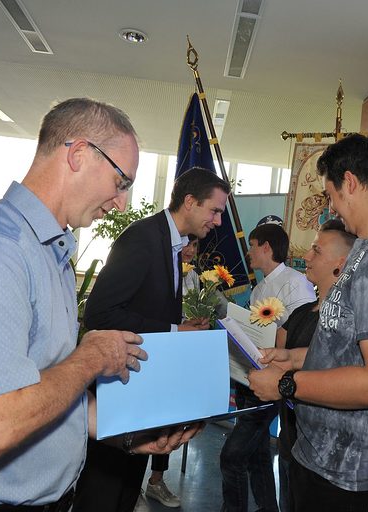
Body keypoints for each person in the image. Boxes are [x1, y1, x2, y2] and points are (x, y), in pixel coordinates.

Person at [0, 97, 200, 512]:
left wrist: (126, 432)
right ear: (77, 155)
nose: (122, 202)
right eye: (121, 181)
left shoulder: (49, 253)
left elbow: (45, 390)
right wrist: (90, 359)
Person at [248, 133, 368, 512]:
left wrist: (286, 384)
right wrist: (296, 359)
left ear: (349, 182)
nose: (331, 207)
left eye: (331, 195)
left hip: (351, 474)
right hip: (321, 458)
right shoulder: (365, 250)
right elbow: (348, 343)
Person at [75, 166, 231, 511]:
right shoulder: (143, 238)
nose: (218, 221)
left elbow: (146, 306)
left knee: (125, 491)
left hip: (140, 392)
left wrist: (181, 325)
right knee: (103, 493)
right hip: (118, 390)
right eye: (215, 210)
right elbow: (100, 314)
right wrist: (175, 332)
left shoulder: (172, 243)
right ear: (189, 202)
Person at [220, 222, 316, 512]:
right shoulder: (259, 287)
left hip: (276, 377)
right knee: (258, 455)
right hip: (251, 378)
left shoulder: (294, 282)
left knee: (232, 457)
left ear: (266, 247)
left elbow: (303, 329)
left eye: (252, 245)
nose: (248, 252)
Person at [273, 218, 356, 512]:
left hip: (323, 456)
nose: (306, 257)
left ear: (340, 263)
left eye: (316, 251)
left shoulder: (345, 324)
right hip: (290, 441)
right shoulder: (299, 315)